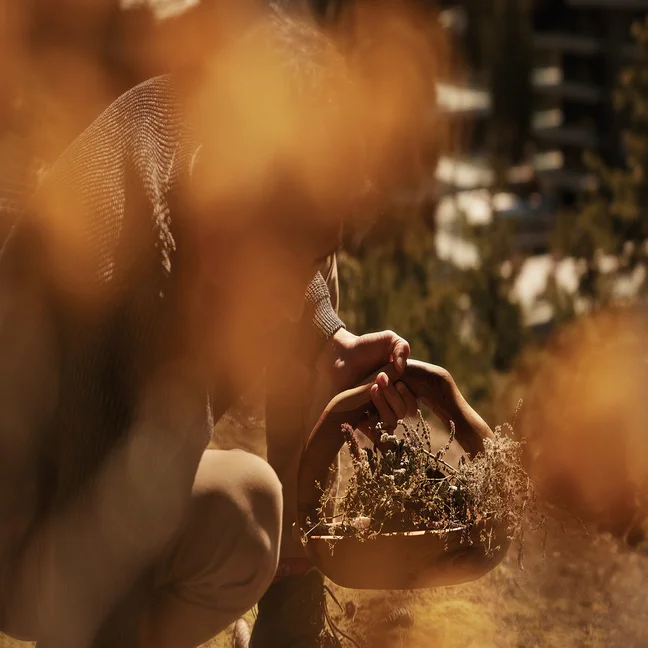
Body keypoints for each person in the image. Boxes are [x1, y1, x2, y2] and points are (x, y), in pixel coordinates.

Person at [0, 6, 417, 648]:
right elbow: (91, 572)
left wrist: (327, 339)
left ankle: (293, 596)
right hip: (30, 536)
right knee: (247, 514)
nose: (285, 303)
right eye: (282, 260)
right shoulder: (123, 287)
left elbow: (297, 250)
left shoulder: (194, 129)